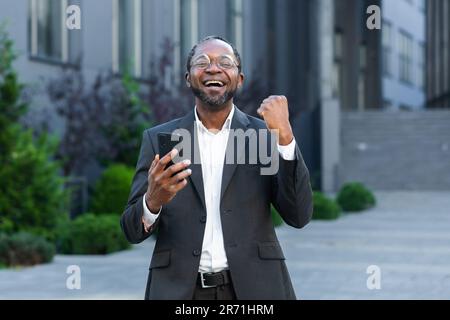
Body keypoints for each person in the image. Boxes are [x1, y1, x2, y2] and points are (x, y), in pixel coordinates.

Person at [120, 36, 313, 300]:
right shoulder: (163, 139)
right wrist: (152, 202)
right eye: (203, 62)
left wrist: (286, 139)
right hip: (180, 292)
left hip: (256, 290)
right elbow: (131, 231)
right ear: (188, 77)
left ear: (239, 78)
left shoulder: (262, 136)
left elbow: (298, 216)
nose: (213, 68)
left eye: (225, 62)